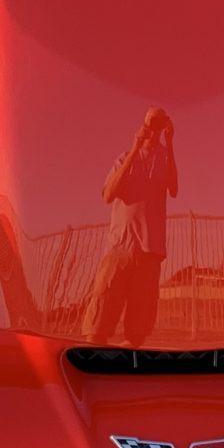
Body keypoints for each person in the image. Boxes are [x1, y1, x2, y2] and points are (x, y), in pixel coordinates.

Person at [82, 107, 178, 345]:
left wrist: (171, 143)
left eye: (160, 123)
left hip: (150, 251)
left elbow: (174, 189)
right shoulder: (125, 157)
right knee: (99, 322)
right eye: (151, 123)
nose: (154, 130)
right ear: (144, 125)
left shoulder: (165, 158)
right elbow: (108, 195)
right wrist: (135, 147)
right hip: (121, 248)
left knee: (138, 331)